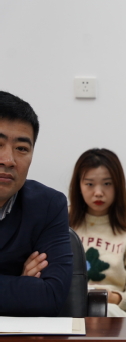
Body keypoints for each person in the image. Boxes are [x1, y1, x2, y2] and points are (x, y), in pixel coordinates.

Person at [0, 91, 72, 316]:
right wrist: (20, 284)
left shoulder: (48, 205)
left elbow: (50, 296)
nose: (9, 160)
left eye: (22, 148)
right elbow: (33, 296)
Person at [68, 148, 126, 317]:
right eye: (90, 184)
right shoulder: (61, 223)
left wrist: (113, 297)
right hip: (66, 304)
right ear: (78, 186)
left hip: (109, 311)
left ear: (118, 186)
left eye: (107, 184)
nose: (98, 193)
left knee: (98, 313)